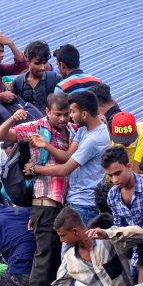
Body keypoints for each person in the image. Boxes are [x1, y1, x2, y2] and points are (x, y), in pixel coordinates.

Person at [0, 95, 72, 286]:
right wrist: (12, 119)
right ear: (47, 111)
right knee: (44, 259)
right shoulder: (35, 127)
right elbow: (0, 136)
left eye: (66, 114)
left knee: (57, 259)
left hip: (63, 205)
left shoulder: (71, 130)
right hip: (44, 203)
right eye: (58, 114)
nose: (63, 119)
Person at [30, 90, 109, 225]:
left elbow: (65, 169)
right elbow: (67, 156)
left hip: (84, 204)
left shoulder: (93, 140)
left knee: (72, 246)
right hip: (76, 201)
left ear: (84, 114)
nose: (70, 117)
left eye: (72, 112)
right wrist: (46, 145)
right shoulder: (84, 129)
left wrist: (35, 168)